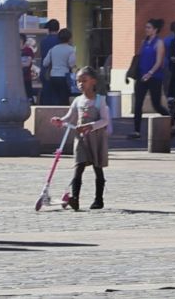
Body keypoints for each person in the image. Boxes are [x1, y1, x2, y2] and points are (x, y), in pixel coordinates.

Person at [52, 66, 112, 210]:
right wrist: (60, 121)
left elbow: (105, 120)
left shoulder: (100, 100)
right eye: (78, 81)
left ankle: (99, 199)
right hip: (81, 138)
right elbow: (69, 116)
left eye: (84, 80)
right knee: (78, 167)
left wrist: (91, 125)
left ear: (93, 81)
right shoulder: (78, 100)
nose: (80, 84)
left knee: (98, 168)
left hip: (96, 138)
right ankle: (75, 198)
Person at [125, 18, 169, 138]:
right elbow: (138, 58)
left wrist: (150, 73)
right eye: (146, 27)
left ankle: (170, 121)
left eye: (149, 28)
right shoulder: (144, 42)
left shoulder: (159, 43)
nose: (146, 30)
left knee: (156, 104)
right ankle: (136, 131)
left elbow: (159, 61)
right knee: (138, 103)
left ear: (155, 30)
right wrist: (132, 72)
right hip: (141, 76)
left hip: (154, 77)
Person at [42, 28, 76, 107]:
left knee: (55, 98)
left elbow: (45, 63)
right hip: (64, 76)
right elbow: (71, 64)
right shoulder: (71, 50)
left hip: (53, 76)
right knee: (64, 98)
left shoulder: (53, 49)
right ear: (70, 38)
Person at [38, 19, 61, 105]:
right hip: (58, 71)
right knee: (57, 96)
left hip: (45, 71)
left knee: (47, 95)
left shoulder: (44, 41)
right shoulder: (61, 41)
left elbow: (42, 55)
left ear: (48, 29)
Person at [20, 33, 35, 102]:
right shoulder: (13, 50)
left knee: (28, 96)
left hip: (26, 77)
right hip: (16, 79)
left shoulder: (28, 50)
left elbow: (28, 63)